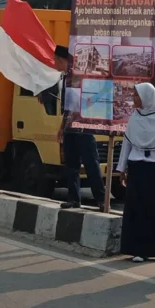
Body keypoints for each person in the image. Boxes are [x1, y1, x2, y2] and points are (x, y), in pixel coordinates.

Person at [117, 83, 155, 262]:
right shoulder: (134, 118)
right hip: (137, 167)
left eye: (137, 95)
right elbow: (127, 144)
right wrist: (121, 169)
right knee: (137, 208)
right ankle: (139, 250)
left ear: (147, 97)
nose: (133, 98)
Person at [54, 45, 106, 211]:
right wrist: (62, 127)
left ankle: (101, 199)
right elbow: (68, 106)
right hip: (70, 127)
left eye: (56, 61)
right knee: (71, 165)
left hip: (84, 126)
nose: (55, 64)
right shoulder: (64, 78)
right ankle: (73, 198)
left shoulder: (81, 75)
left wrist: (88, 107)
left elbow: (98, 94)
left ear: (62, 60)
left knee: (91, 164)